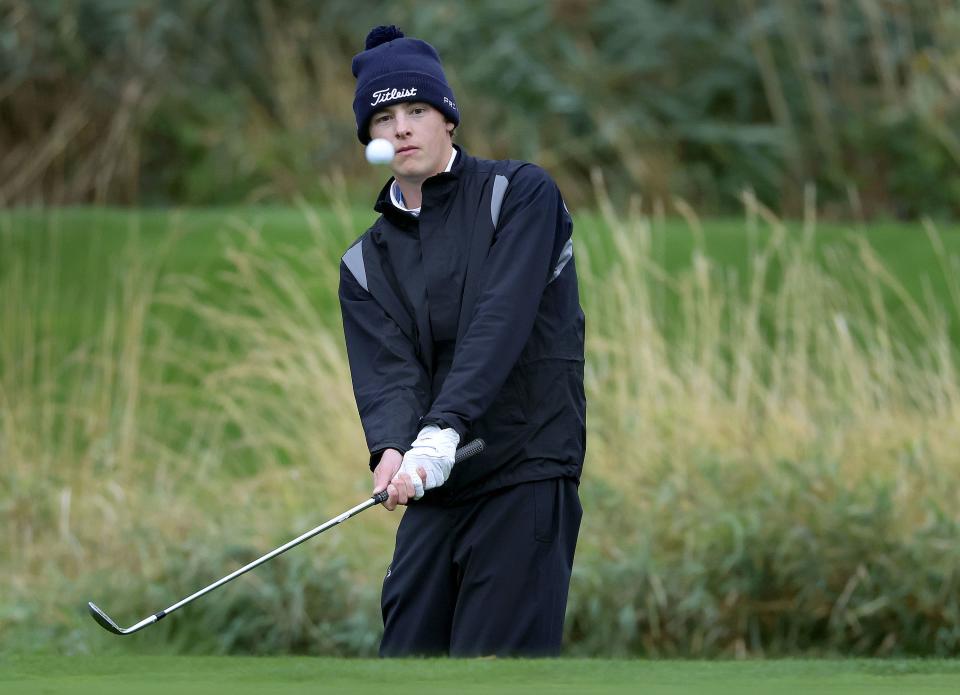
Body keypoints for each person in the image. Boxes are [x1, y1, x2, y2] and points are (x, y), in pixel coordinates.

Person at [338, 25, 586, 657]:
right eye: (384, 118)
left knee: (495, 668)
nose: (401, 128)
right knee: (406, 657)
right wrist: (392, 450)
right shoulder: (365, 262)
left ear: (448, 119)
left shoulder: (520, 196)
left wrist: (442, 429)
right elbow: (388, 372)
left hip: (524, 466)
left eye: (416, 110)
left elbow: (499, 321)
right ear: (369, 139)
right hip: (437, 481)